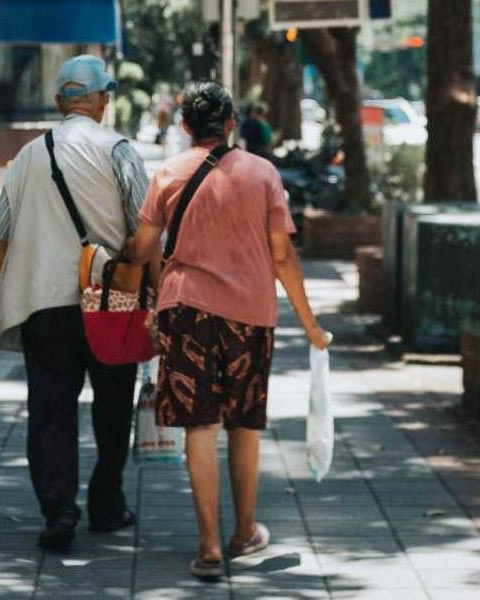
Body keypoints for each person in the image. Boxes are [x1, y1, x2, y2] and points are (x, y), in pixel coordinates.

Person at [125, 81, 330, 578]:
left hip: (185, 312)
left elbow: (141, 247)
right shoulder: (263, 173)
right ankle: (244, 532)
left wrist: (151, 291)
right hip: (249, 316)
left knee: (201, 425)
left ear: (186, 126)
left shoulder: (169, 173)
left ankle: (210, 548)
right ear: (232, 122)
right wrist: (311, 326)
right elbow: (282, 255)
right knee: (244, 423)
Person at [0, 55, 149, 551]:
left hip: (44, 307)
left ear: (59, 102)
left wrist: (23, 280)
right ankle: (106, 502)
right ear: (102, 100)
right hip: (112, 300)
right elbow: (145, 234)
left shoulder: (28, 156)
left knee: (51, 410)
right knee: (114, 403)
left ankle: (58, 512)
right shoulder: (119, 151)